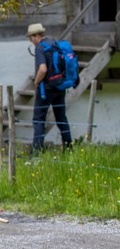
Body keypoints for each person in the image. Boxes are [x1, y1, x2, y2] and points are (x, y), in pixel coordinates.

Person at [27, 23, 73, 152]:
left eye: (30, 38)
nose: (31, 41)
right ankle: (69, 149)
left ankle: (36, 152)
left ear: (36, 35)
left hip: (46, 89)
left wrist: (36, 82)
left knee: (38, 119)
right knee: (61, 118)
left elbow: (42, 69)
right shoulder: (55, 44)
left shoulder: (40, 48)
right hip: (59, 86)